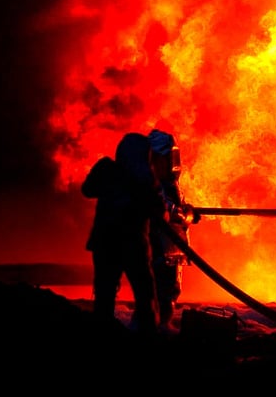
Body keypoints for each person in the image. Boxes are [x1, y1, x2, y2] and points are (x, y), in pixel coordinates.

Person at [82, 132, 166, 337]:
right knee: (143, 292)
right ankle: (146, 334)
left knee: (107, 291)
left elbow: (87, 189)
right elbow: (159, 212)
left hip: (108, 244)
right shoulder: (143, 179)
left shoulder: (112, 171)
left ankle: (105, 333)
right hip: (132, 246)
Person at [147, 128, 199, 333]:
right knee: (161, 294)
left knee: (170, 293)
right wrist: (186, 214)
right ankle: (156, 333)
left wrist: (189, 213)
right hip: (160, 249)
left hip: (172, 250)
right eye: (165, 159)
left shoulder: (170, 185)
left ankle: (160, 328)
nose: (170, 163)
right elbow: (169, 212)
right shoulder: (153, 185)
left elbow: (177, 210)